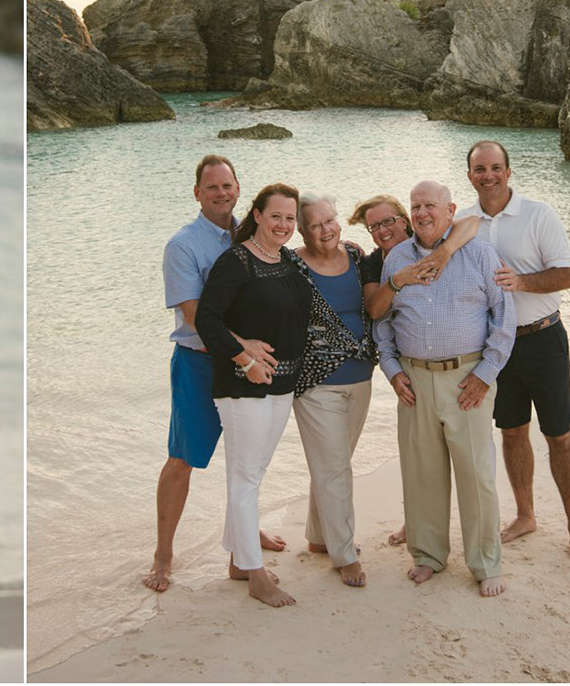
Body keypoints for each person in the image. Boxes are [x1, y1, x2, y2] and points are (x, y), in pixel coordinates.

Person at [141, 155, 283, 592]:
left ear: (240, 189)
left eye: (228, 185)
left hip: (252, 366)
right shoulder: (182, 246)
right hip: (201, 364)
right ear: (197, 193)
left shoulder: (254, 232)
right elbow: (193, 314)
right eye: (212, 187)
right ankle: (163, 555)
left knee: (248, 459)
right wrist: (242, 347)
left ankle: (244, 536)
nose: (221, 193)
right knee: (183, 459)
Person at [376, 180, 513, 596]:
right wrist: (391, 368)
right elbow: (382, 321)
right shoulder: (396, 258)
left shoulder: (479, 253)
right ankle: (427, 556)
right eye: (415, 207)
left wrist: (486, 373)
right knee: (422, 475)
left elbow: (503, 317)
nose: (422, 214)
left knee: (476, 476)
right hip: (413, 380)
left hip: (467, 379)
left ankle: (485, 563)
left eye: (430, 206)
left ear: (450, 210)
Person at [466, 139, 570, 568]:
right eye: (480, 169)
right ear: (470, 176)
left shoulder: (539, 214)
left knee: (559, 436)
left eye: (496, 167)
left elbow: (567, 274)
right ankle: (526, 515)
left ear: (508, 171)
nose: (489, 176)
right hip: (495, 347)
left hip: (543, 339)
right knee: (513, 432)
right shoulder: (463, 220)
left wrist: (520, 282)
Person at [193, 183, 317, 608]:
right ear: (258, 215)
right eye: (276, 216)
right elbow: (206, 320)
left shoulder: (285, 259)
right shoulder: (237, 260)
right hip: (242, 386)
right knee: (246, 478)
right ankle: (255, 574)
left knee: (252, 473)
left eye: (290, 218)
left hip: (282, 384)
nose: (284, 224)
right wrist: (243, 356)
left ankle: (237, 559)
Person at [286, 193, 375, 586]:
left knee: (332, 464)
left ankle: (320, 537)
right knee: (334, 466)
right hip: (315, 383)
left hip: (361, 377)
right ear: (302, 231)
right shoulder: (290, 265)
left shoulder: (356, 257)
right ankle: (344, 554)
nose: (326, 230)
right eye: (316, 225)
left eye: (330, 221)